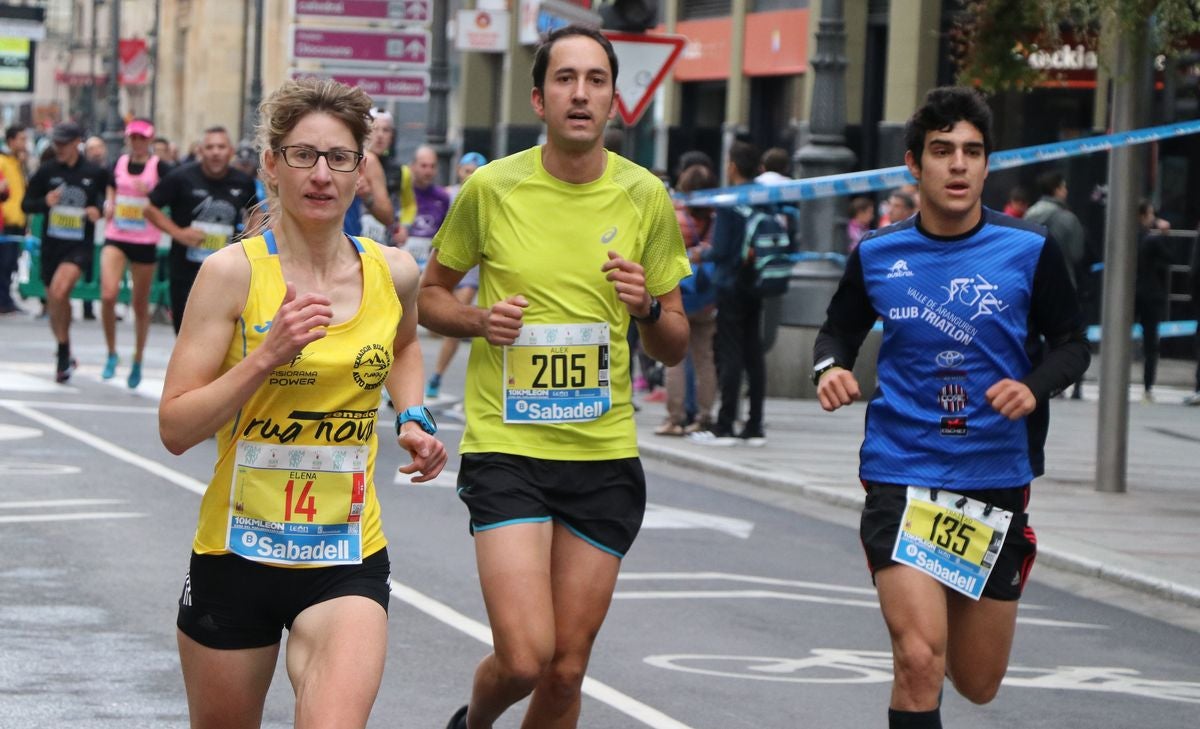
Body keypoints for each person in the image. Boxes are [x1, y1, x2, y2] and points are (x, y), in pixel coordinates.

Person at [418, 25, 690, 729]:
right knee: (525, 657)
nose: (581, 92)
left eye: (596, 79)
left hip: (602, 454)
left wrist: (649, 304)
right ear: (538, 98)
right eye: (565, 79)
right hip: (508, 447)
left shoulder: (644, 196)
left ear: (612, 98)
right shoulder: (492, 187)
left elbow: (676, 344)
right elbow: (432, 296)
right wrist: (480, 322)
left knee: (567, 671)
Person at [159, 77, 447, 729]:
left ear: (360, 167)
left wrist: (414, 417)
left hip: (344, 554)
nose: (322, 173)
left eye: (340, 157)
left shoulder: (394, 270)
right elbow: (175, 426)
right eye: (303, 155)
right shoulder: (232, 273)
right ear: (271, 165)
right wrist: (266, 355)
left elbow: (403, 346)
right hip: (237, 553)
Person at [813, 86, 1090, 729]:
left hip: (994, 478)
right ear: (915, 165)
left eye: (972, 152)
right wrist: (830, 369)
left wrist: (1034, 385)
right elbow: (837, 333)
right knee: (918, 659)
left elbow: (1074, 344)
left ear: (987, 164)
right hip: (902, 474)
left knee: (978, 681)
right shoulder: (879, 253)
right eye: (943, 151)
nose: (958, 165)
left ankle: (1015, 550)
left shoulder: (1030, 248)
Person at [689, 140, 770, 446]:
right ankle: (755, 423)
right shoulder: (765, 198)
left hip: (730, 284)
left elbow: (721, 250)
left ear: (733, 166)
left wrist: (701, 254)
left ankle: (725, 423)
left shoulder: (728, 201)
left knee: (731, 353)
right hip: (756, 282)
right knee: (754, 353)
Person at [144, 126, 260, 334]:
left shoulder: (243, 182)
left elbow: (255, 211)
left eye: (221, 147)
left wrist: (252, 238)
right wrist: (178, 233)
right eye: (210, 147)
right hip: (185, 269)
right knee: (184, 332)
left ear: (230, 151)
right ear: (200, 151)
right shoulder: (180, 178)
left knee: (222, 331)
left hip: (227, 271)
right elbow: (150, 208)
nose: (215, 152)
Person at [22, 121, 107, 382]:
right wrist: (44, 202)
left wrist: (98, 211)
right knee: (56, 299)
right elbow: (27, 204)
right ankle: (64, 347)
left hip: (79, 245)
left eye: (63, 143)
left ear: (75, 144)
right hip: (52, 245)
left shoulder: (94, 173)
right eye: (55, 143)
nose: (58, 148)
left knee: (60, 291)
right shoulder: (47, 172)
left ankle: (61, 353)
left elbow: (105, 202)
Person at [99, 118, 173, 388]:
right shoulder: (117, 163)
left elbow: (172, 192)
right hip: (116, 235)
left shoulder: (159, 167)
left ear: (150, 140)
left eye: (142, 138)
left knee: (139, 305)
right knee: (108, 294)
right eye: (133, 138)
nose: (137, 142)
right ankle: (111, 353)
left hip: (145, 240)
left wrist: (152, 193)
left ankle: (138, 358)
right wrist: (109, 202)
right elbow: (110, 185)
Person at [656, 163, 718, 436]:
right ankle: (704, 416)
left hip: (678, 293)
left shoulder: (675, 216)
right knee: (705, 357)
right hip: (706, 296)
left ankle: (676, 418)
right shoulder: (716, 218)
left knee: (674, 358)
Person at [425, 152, 486, 400]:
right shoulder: (446, 195)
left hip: (469, 269)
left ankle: (437, 375)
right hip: (439, 261)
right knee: (421, 319)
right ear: (458, 170)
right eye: (466, 170)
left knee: (455, 320)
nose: (469, 175)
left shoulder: (485, 196)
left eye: (474, 171)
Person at [1024, 170, 1087, 398]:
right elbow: (1078, 253)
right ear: (1058, 189)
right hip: (1063, 282)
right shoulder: (1067, 217)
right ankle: (1066, 386)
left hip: (1027, 283)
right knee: (1063, 336)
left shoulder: (1029, 215)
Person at [1134, 199, 1173, 402]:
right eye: (1150, 215)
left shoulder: (1128, 238)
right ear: (1143, 216)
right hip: (1150, 294)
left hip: (1130, 294)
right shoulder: (1153, 240)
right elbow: (1170, 256)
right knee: (1151, 344)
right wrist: (1165, 234)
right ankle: (1147, 387)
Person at [396, 144, 449, 268]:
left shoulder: (443, 196)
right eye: (423, 166)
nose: (428, 171)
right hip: (401, 261)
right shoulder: (400, 193)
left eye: (432, 166)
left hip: (429, 264)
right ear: (412, 166)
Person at [0, 125, 23, 315]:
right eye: (21, 139)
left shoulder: (16, 162)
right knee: (4, 262)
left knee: (11, 262)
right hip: (6, 219)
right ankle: (3, 300)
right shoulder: (2, 161)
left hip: (17, 219)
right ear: (11, 140)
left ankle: (6, 298)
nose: (24, 144)